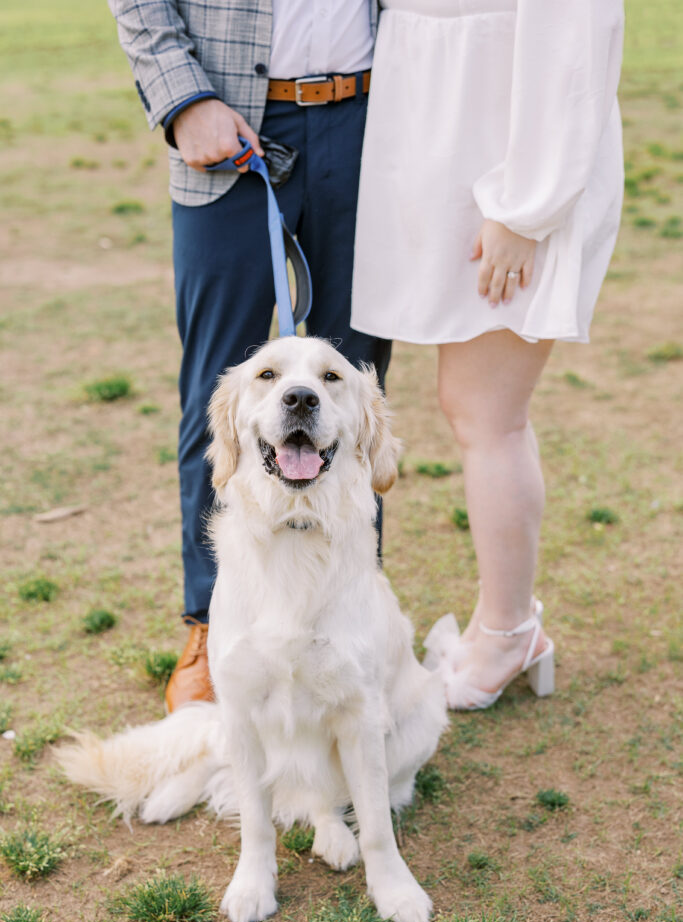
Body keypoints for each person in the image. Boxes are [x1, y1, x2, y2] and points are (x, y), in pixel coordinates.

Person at [107, 1, 391, 710]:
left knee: (350, 390)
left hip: (372, 121)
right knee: (224, 392)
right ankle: (214, 621)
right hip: (223, 119)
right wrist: (183, 99)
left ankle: (352, 619)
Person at [351, 0, 624, 709]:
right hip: (449, 158)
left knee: (487, 413)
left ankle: (508, 633)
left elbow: (573, 40)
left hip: (504, 183)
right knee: (469, 408)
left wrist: (523, 209)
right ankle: (503, 625)